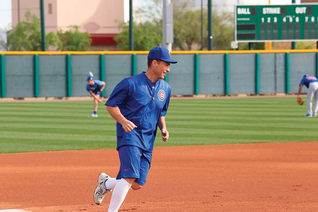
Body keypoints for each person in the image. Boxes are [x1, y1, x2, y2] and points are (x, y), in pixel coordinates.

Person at [93, 46, 177, 212]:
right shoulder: (130, 83)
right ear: (155, 63)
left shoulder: (165, 89)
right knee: (130, 176)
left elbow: (161, 112)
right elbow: (111, 105)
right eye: (166, 64)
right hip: (129, 135)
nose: (168, 69)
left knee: (137, 184)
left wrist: (163, 128)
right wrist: (123, 121)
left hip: (148, 139)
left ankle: (106, 183)